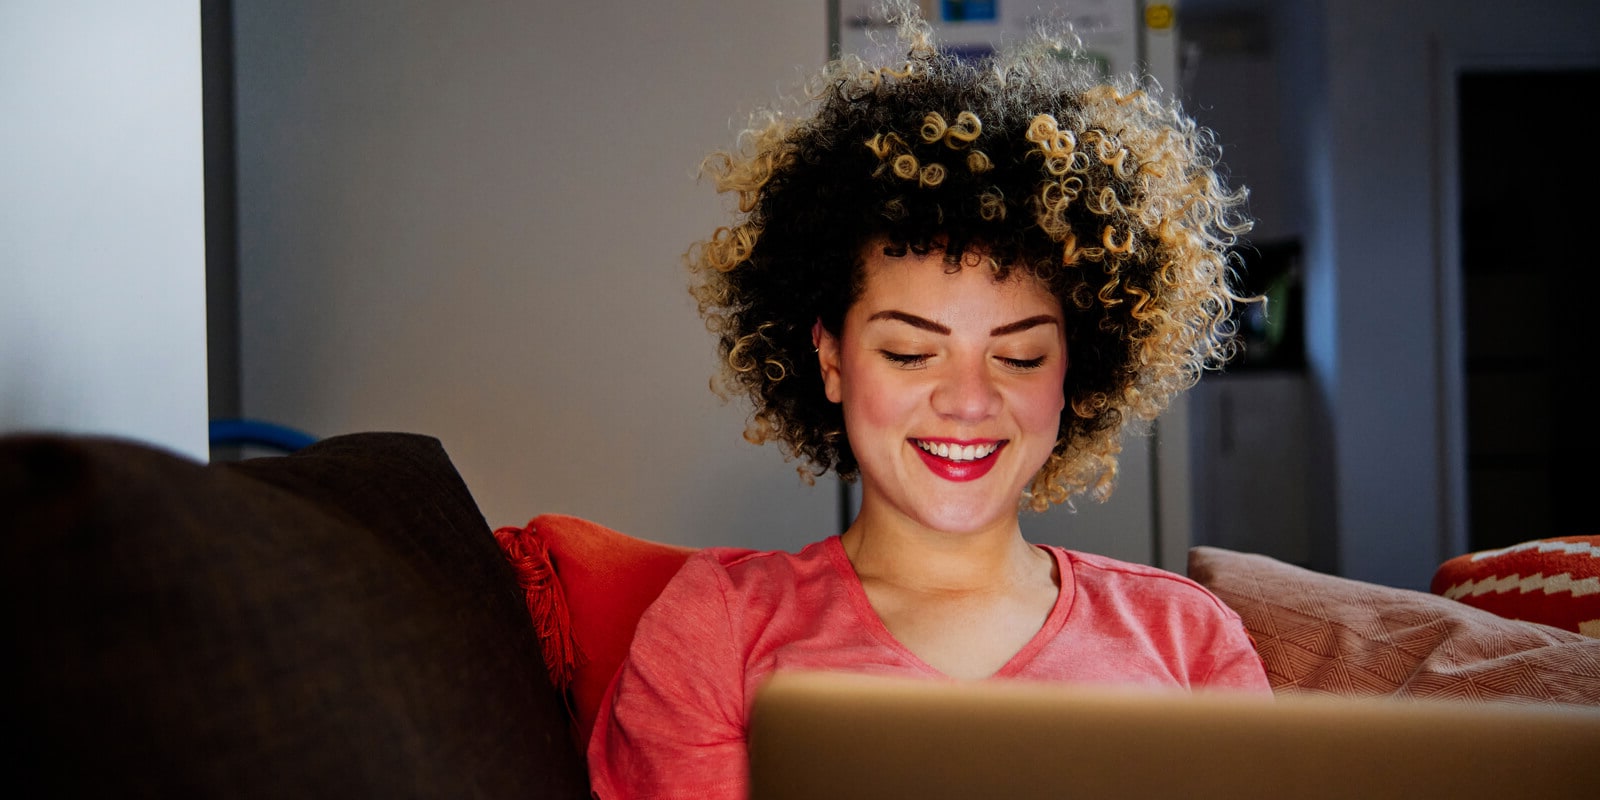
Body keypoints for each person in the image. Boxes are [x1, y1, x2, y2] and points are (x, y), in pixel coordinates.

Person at [589, 4, 1271, 797]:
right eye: (911, 352)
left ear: (1074, 374)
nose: (969, 402)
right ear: (831, 360)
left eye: (1019, 357)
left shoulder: (1185, 634)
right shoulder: (720, 625)